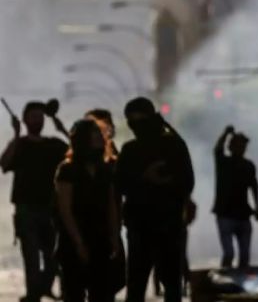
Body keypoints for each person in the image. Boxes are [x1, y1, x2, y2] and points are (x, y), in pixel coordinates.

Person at [115, 97, 194, 302]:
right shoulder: (130, 149)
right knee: (137, 285)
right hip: (140, 227)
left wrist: (164, 182)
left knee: (170, 285)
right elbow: (120, 184)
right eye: (131, 120)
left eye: (140, 119)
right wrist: (145, 178)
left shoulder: (174, 145)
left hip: (169, 225)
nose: (135, 125)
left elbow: (187, 182)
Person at [1, 101, 68, 302]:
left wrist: (61, 127)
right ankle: (34, 293)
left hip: (51, 209)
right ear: (25, 120)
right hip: (25, 209)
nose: (37, 120)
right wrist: (15, 135)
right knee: (30, 255)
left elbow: (77, 152)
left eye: (40, 117)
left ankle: (41, 289)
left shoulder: (53, 144)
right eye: (33, 116)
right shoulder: (20, 145)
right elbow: (4, 164)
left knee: (53, 257)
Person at [55, 120, 121, 302]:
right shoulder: (67, 170)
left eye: (101, 135)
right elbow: (65, 210)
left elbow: (111, 206)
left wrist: (115, 237)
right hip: (73, 238)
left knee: (102, 293)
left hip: (100, 238)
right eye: (95, 135)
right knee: (74, 292)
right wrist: (79, 243)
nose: (101, 138)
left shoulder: (105, 169)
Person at [212, 125, 258, 269]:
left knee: (245, 255)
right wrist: (225, 133)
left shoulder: (249, 166)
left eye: (243, 146)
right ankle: (225, 279)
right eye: (239, 145)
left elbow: (254, 187)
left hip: (243, 215)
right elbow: (217, 149)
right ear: (231, 147)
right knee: (229, 253)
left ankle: (241, 283)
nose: (242, 148)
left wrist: (257, 208)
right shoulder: (223, 162)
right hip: (225, 214)